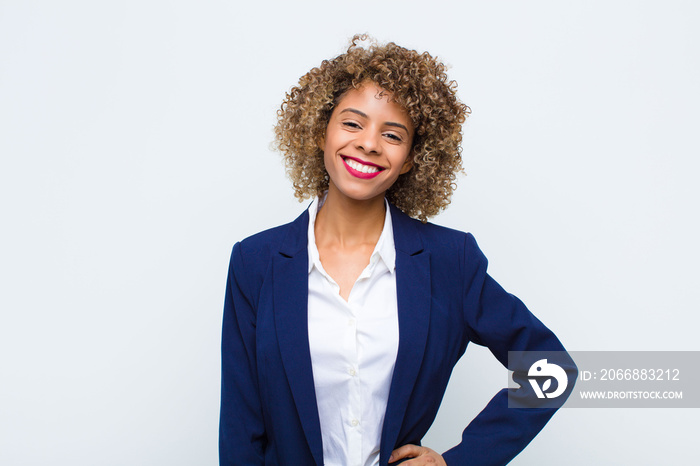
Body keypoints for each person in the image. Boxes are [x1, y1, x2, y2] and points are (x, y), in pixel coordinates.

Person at [219, 35, 575, 466]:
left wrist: (459, 462)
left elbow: (552, 369)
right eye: (352, 124)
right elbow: (241, 427)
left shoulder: (450, 261)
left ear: (410, 159)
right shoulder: (255, 262)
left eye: (392, 134)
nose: (369, 143)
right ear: (319, 130)